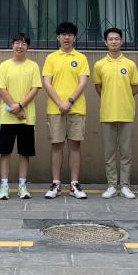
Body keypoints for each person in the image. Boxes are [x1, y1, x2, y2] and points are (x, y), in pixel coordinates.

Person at [41, 21, 90, 199]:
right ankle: (56, 184)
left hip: (76, 108)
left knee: (75, 146)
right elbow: (47, 83)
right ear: (58, 37)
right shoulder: (51, 58)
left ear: (74, 37)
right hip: (55, 110)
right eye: (63, 34)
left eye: (70, 34)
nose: (66, 37)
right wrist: (60, 103)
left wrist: (69, 101)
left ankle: (74, 184)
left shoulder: (81, 58)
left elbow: (83, 82)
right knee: (56, 146)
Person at [0, 32, 43, 200]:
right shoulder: (4, 66)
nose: (20, 46)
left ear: (28, 47)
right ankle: (4, 186)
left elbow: (35, 89)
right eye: (17, 43)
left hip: (27, 118)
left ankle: (22, 186)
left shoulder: (33, 66)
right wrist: (15, 109)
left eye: (23, 43)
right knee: (5, 152)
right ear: (12, 45)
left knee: (24, 153)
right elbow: (1, 89)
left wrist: (20, 106)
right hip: (7, 117)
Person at [92, 27, 138, 199]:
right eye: (110, 39)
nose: (114, 41)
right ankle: (112, 185)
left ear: (121, 41)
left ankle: (125, 186)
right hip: (107, 113)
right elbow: (98, 87)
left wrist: (123, 98)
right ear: (105, 42)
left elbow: (135, 87)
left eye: (117, 39)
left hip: (126, 113)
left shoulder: (130, 64)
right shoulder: (99, 65)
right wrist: (110, 98)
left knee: (126, 153)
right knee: (109, 153)